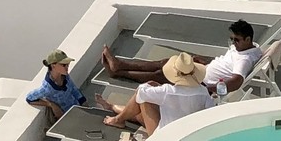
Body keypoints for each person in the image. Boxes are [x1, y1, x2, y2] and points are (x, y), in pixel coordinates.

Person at [101, 19, 261, 96]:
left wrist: (208, 89)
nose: (233, 42)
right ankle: (120, 64)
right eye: (231, 39)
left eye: (236, 40)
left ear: (248, 39)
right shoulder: (251, 48)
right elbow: (225, 67)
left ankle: (118, 71)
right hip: (203, 70)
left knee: (159, 74)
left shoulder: (244, 60)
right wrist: (206, 63)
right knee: (165, 62)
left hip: (201, 82)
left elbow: (236, 82)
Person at [103, 53, 215, 141]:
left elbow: (140, 93)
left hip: (162, 140)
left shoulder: (167, 91)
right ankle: (114, 110)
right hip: (186, 138)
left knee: (144, 99)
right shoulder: (203, 92)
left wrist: (149, 84)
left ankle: (118, 119)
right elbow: (210, 112)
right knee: (150, 99)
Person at [25, 49, 85, 124]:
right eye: (63, 65)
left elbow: (73, 89)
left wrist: (84, 103)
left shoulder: (65, 76)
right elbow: (29, 98)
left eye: (67, 65)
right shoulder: (47, 88)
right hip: (66, 120)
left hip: (78, 110)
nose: (67, 67)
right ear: (53, 65)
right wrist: (51, 105)